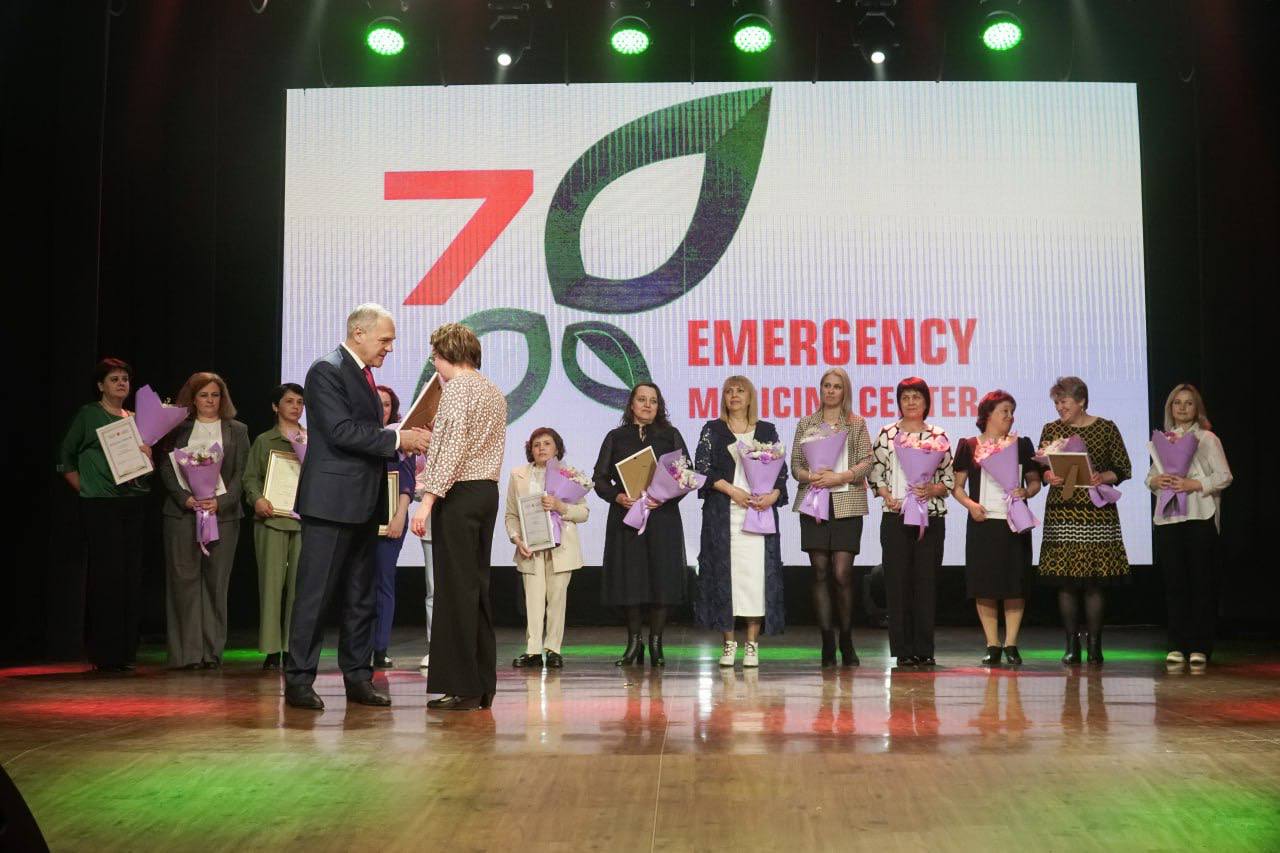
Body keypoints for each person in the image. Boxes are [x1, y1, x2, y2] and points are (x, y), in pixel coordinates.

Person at [284, 304, 431, 711]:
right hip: (330, 505)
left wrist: (400, 435)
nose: (389, 348)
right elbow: (341, 431)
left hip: (364, 503)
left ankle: (358, 678)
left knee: (361, 599)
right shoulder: (326, 370)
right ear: (358, 333)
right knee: (315, 597)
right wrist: (399, 439)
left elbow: (362, 431)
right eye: (385, 340)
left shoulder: (363, 374)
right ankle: (298, 681)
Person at [409, 323, 507, 711]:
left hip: (459, 494)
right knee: (475, 587)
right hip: (485, 492)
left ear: (447, 354)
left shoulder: (456, 389)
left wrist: (427, 502)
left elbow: (451, 450)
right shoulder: (492, 390)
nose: (435, 364)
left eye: (435, 356)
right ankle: (481, 684)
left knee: (454, 591)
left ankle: (462, 686)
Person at [57, 358, 153, 672]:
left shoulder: (134, 419)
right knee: (107, 577)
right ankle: (105, 653)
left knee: (130, 577)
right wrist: (85, 488)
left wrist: (148, 455)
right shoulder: (89, 415)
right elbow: (65, 457)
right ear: (101, 385)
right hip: (100, 504)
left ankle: (126, 652)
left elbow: (144, 468)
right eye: (114, 379)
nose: (121, 383)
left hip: (132, 502)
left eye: (125, 379)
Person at [593, 382, 691, 667]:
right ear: (632, 404)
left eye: (653, 401)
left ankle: (656, 642)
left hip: (662, 518)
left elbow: (687, 475)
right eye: (642, 399)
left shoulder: (670, 435)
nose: (648, 405)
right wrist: (617, 496)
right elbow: (599, 478)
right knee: (631, 580)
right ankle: (634, 642)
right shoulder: (616, 437)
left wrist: (665, 496)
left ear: (659, 407)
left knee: (662, 579)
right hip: (628, 518)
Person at [694, 376, 789, 668]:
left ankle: (751, 644)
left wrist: (772, 496)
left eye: (740, 391)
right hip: (725, 515)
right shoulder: (713, 429)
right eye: (729, 391)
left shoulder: (767, 430)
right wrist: (732, 490)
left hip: (759, 515)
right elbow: (702, 470)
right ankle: (728, 643)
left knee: (755, 579)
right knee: (726, 578)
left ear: (750, 397)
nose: (734, 395)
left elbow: (781, 474)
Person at [158, 372, 249, 670]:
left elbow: (242, 473)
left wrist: (221, 502)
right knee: (183, 583)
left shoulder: (237, 430)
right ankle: (186, 654)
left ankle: (211, 653)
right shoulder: (176, 429)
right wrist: (185, 498)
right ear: (193, 399)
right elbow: (166, 468)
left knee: (216, 584)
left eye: (215, 395)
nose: (210, 400)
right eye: (204, 395)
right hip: (182, 515)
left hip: (223, 516)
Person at [1038, 376, 1131, 666]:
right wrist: (1048, 475)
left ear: (1081, 401)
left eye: (1064, 401)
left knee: (1094, 582)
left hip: (1095, 513)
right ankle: (1071, 644)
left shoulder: (1106, 428)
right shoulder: (1052, 430)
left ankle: (1094, 644)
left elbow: (1123, 468)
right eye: (1056, 402)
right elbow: (1041, 470)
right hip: (1062, 511)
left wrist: (1102, 477)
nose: (1059, 407)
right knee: (1065, 582)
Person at [788, 368, 873, 667]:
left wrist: (841, 476)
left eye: (837, 386)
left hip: (847, 502)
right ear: (820, 389)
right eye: (826, 385)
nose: (831, 390)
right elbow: (795, 465)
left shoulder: (857, 423)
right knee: (820, 571)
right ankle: (827, 641)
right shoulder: (806, 423)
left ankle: (846, 638)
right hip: (815, 502)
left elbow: (867, 462)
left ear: (844, 391)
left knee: (842, 573)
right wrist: (811, 476)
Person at [951, 390, 1043, 666]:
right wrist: (970, 505)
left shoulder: (1021, 445)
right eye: (1004, 411)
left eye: (1012, 412)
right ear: (988, 414)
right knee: (985, 585)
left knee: (1015, 584)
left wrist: (1026, 492)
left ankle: (1011, 644)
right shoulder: (969, 445)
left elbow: (1034, 482)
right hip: (983, 522)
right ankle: (992, 644)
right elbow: (957, 487)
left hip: (1014, 523)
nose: (1010, 417)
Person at [869, 377, 954, 667]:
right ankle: (903, 650)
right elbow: (876, 474)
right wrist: (886, 495)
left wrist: (932, 489)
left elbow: (949, 480)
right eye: (905, 397)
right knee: (897, 584)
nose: (911, 402)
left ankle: (924, 648)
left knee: (926, 583)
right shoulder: (887, 433)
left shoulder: (938, 436)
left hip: (930, 518)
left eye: (916, 397)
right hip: (895, 517)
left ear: (926, 401)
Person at [1145, 384, 1232, 668]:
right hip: (1170, 517)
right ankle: (1176, 644)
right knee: (1175, 584)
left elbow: (1224, 476)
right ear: (1170, 408)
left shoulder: (1207, 439)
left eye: (1188, 403)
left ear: (1197, 408)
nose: (1182, 408)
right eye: (1177, 403)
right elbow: (1151, 476)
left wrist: (1193, 484)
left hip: (1199, 516)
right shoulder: (1163, 439)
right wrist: (1155, 481)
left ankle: (1200, 646)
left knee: (1201, 584)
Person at [504, 427, 589, 669]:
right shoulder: (518, 475)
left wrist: (560, 506)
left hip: (561, 547)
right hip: (531, 547)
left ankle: (553, 649)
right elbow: (511, 514)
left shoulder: (569, 475)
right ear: (530, 450)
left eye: (547, 443)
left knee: (556, 599)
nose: (541, 448)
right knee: (533, 601)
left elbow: (583, 513)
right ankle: (532, 650)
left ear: (557, 448)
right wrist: (516, 539)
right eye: (536, 444)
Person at [242, 382, 305, 670]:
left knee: (299, 589)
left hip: (303, 523)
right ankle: (271, 649)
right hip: (271, 520)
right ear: (275, 406)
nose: (295, 407)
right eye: (289, 401)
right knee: (271, 587)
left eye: (300, 402)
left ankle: (292, 647)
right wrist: (257, 499)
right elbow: (250, 477)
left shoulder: (311, 439)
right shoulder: (264, 440)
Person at [372, 385, 416, 669]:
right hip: (360, 519)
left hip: (392, 519)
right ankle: (358, 646)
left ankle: (380, 648)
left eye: (387, 404)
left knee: (384, 582)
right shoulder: (357, 435)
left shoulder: (402, 439)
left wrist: (400, 515)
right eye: (378, 403)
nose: (383, 408)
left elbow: (407, 480)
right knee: (359, 584)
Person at [412, 463, 435, 669]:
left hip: (459, 530)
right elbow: (417, 489)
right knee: (434, 592)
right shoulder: (428, 461)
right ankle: (435, 648)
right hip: (431, 531)